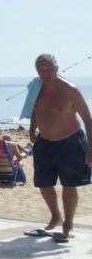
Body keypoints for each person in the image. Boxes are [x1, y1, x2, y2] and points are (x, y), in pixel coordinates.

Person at [26, 53, 92, 243]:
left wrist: (90, 149)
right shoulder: (36, 87)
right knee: (44, 183)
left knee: (69, 184)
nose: (45, 73)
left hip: (70, 141)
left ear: (56, 68)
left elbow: (88, 119)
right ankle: (56, 216)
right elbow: (35, 109)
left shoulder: (70, 90)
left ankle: (68, 224)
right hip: (44, 142)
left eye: (48, 69)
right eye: (41, 70)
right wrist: (32, 130)